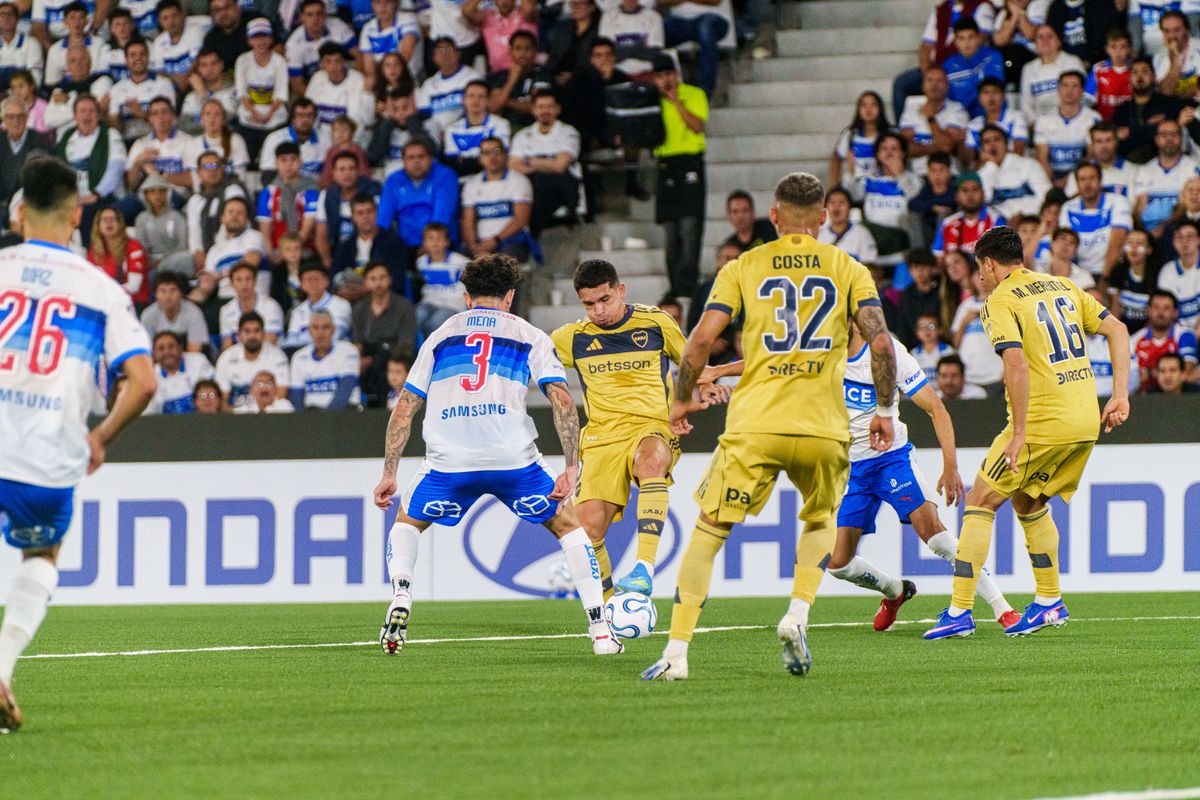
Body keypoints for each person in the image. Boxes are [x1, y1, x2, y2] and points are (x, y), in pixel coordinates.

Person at [642, 172, 899, 682]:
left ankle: (676, 652)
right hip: (825, 428)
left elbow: (697, 343)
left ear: (774, 217)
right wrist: (886, 413)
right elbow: (883, 345)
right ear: (824, 217)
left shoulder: (745, 265)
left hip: (755, 424)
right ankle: (797, 614)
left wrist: (679, 401)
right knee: (821, 520)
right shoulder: (849, 267)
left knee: (709, 532)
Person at [371, 253, 622, 656]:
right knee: (569, 528)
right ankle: (601, 630)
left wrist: (389, 473)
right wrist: (571, 466)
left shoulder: (440, 334)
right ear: (509, 296)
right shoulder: (529, 334)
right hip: (512, 460)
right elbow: (561, 401)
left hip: (449, 462)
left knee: (406, 522)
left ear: (467, 297)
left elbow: (405, 407)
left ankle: (401, 593)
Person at [0, 155, 155, 732]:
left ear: (20, 213)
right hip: (46, 458)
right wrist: (101, 435)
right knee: (40, 556)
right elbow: (143, 382)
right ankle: (3, 665)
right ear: (77, 214)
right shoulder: (100, 289)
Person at [926, 225, 1131, 640]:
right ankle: (1049, 602)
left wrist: (1018, 434)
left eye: (979, 266)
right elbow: (1119, 331)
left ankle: (959, 611)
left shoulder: (997, 301)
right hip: (1084, 418)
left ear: (987, 263)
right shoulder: (1063, 286)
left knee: (980, 502)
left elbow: (1016, 365)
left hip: (1042, 421)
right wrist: (1121, 396)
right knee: (1027, 499)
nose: (979, 275)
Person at [820, 320, 1017, 630]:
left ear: (853, 321)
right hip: (850, 468)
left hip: (891, 460)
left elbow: (937, 409)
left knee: (936, 536)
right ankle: (895, 591)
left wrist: (950, 466)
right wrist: (716, 371)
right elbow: (772, 363)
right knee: (837, 564)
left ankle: (1002, 608)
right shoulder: (819, 351)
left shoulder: (887, 354)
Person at [550, 260, 725, 599]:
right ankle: (607, 612)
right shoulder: (571, 338)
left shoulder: (656, 322)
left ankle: (644, 567)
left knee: (650, 461)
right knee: (588, 530)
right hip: (601, 438)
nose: (598, 310)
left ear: (620, 291)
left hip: (652, 427)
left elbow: (690, 363)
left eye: (605, 300)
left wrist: (698, 390)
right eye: (589, 304)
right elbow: (532, 361)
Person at [652, 52, 707, 297]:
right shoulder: (652, 101)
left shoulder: (694, 94)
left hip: (690, 161)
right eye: (659, 76)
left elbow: (697, 125)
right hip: (664, 163)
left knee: (690, 227)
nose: (665, 80)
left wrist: (675, 101)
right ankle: (675, 287)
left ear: (676, 74)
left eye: (668, 74)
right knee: (671, 232)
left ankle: (689, 284)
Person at [508, 90, 581, 234]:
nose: (545, 111)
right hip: (531, 185)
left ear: (557, 109)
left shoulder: (568, 132)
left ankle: (530, 232)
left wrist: (528, 160)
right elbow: (513, 165)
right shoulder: (522, 136)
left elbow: (560, 166)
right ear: (533, 109)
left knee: (543, 185)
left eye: (549, 106)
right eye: (541, 107)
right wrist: (548, 163)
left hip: (562, 186)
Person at [377, 136, 460, 257]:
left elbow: (442, 215)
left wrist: (429, 244)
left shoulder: (445, 176)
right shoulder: (394, 179)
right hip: (404, 245)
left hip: (440, 244)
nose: (416, 161)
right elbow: (383, 218)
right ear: (403, 161)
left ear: (431, 158)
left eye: (421, 157)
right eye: (411, 158)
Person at [351, 260, 418, 404]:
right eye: (373, 279)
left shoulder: (404, 307)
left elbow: (406, 343)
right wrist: (358, 361)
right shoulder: (359, 309)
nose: (378, 283)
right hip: (369, 356)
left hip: (394, 354)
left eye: (382, 278)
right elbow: (358, 343)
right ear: (366, 282)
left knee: (384, 364)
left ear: (389, 279)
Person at [462, 136, 535, 261]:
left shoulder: (519, 181)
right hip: (481, 243)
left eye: (497, 151)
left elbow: (521, 220)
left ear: (505, 154)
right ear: (480, 158)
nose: (492, 157)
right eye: (486, 153)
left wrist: (495, 240)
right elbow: (468, 221)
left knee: (501, 266)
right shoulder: (472, 184)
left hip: (511, 242)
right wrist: (473, 246)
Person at [1058, 163, 1132, 283]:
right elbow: (1064, 245)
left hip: (1111, 271)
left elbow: (1117, 241)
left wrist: (1106, 278)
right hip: (1078, 273)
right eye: (1082, 179)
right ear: (1077, 184)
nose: (1087, 184)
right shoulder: (1068, 207)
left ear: (1100, 181)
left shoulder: (1118, 202)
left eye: (1092, 178)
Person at [184, 150, 247, 275]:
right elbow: (194, 233)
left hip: (233, 247)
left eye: (217, 166)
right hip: (205, 254)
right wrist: (199, 254)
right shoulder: (195, 200)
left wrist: (214, 256)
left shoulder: (233, 190)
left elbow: (232, 226)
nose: (212, 170)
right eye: (207, 166)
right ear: (199, 172)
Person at [1033, 70, 1101, 186]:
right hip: (1050, 177)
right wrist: (1052, 185)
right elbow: (1041, 158)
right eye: (1065, 85)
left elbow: (1092, 155)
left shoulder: (1093, 118)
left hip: (1080, 179)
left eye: (1075, 86)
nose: (1069, 90)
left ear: (1082, 90)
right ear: (1058, 90)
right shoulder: (1044, 119)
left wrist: (1067, 183)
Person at [1133, 119, 1200, 237]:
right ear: (1156, 139)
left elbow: (1192, 206)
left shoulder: (1193, 168)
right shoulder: (1144, 171)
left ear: (1181, 138)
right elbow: (1139, 209)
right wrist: (1147, 234)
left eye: (1173, 134)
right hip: (1150, 234)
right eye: (1164, 135)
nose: (1169, 139)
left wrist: (1165, 227)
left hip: (1183, 232)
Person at [1113, 57, 1187, 163]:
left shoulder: (1169, 104)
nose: (1139, 77)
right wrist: (1151, 128)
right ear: (1129, 78)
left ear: (1154, 77)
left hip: (1164, 162)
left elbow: (1169, 136)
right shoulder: (1121, 110)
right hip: (1129, 164)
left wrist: (1132, 132)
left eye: (1145, 71)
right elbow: (1119, 143)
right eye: (1134, 72)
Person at [898, 65, 969, 176]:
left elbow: (947, 146)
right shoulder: (911, 109)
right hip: (918, 175)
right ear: (923, 86)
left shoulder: (957, 110)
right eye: (930, 80)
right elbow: (905, 148)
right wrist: (938, 146)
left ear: (947, 86)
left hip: (949, 175)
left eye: (939, 80)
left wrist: (930, 119)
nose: (934, 85)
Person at [234, 17, 289, 160]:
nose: (260, 42)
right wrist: (254, 112)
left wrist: (269, 114)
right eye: (256, 37)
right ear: (249, 40)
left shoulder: (280, 62)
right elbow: (242, 93)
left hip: (275, 119)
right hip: (249, 119)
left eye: (264, 37)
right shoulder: (242, 60)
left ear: (271, 39)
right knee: (246, 158)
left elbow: (281, 94)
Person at [256, 141, 320, 262]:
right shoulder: (268, 192)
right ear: (276, 163)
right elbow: (265, 231)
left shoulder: (311, 190)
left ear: (300, 162)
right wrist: (272, 256)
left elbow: (307, 230)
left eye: (293, 159)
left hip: (305, 252)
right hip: (275, 253)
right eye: (283, 160)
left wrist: (290, 252)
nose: (289, 164)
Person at [315, 153, 381, 268]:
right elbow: (321, 235)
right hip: (337, 253)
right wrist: (327, 261)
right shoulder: (326, 195)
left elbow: (380, 228)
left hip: (370, 254)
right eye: (342, 169)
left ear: (358, 171)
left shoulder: (373, 192)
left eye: (351, 168)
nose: (347, 173)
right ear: (334, 173)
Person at [331, 193, 409, 289]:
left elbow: (396, 280)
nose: (365, 217)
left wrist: (366, 289)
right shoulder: (345, 246)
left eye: (369, 211)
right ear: (353, 217)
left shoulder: (394, 243)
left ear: (376, 213)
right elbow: (335, 276)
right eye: (360, 213)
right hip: (351, 296)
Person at [214, 311, 290, 408]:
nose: (252, 336)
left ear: (263, 333)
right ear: (239, 335)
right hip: (236, 416)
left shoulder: (277, 356)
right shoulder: (226, 358)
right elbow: (222, 399)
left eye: (256, 331)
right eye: (247, 331)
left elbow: (281, 394)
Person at [104, 39, 174, 144]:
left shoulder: (163, 84)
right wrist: (104, 115)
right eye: (133, 55)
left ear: (148, 57)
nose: (138, 58)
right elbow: (117, 128)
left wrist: (143, 115)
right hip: (126, 142)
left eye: (142, 54)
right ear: (126, 60)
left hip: (157, 140)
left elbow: (171, 123)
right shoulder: (117, 89)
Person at [951, 257, 1005, 395]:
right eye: (977, 275)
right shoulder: (965, 306)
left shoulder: (1003, 303)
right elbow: (956, 343)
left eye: (985, 274)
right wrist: (964, 322)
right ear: (972, 279)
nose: (981, 279)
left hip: (995, 375)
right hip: (968, 376)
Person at [288, 309, 361, 409]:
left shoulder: (348, 350)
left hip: (346, 414)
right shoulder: (299, 357)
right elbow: (297, 398)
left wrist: (325, 421)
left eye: (325, 327)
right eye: (315, 327)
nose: (320, 332)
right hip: (311, 416)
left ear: (333, 330)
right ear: (309, 331)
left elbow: (345, 391)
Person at [975, 124, 1050, 221]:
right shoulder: (982, 174)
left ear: (1007, 144)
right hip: (999, 226)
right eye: (987, 141)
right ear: (982, 149)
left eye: (997, 139)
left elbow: (1047, 197)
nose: (992, 144)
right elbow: (983, 203)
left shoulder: (1028, 165)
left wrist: (1022, 214)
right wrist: (991, 167)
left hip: (1030, 220)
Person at [200, 195, 267, 301]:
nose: (235, 216)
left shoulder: (254, 236)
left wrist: (220, 275)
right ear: (222, 218)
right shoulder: (214, 250)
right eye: (230, 212)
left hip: (255, 300)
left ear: (246, 218)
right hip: (224, 302)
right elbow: (207, 285)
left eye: (240, 213)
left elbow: (249, 265)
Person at [1131, 290, 1199, 390]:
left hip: (1180, 396)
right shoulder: (1135, 339)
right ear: (1148, 310)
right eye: (1156, 307)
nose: (1160, 312)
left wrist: (1150, 373)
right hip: (1142, 398)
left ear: (1175, 312)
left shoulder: (1184, 335)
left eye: (1166, 308)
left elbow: (1186, 370)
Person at [0, 97, 54, 224]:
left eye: (20, 116)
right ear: (3, 120)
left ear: (27, 117)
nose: (15, 121)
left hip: (27, 205)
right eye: (10, 117)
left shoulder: (42, 141)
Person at [443, 79, 512, 178]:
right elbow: (452, 164)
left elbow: (498, 157)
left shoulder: (500, 124)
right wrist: (484, 157)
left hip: (493, 179)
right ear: (464, 100)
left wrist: (464, 161)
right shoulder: (451, 129)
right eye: (471, 96)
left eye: (481, 97)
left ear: (488, 101)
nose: (476, 100)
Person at [285, 0, 358, 94]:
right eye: (310, 15)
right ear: (302, 17)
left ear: (325, 14)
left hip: (345, 81)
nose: (315, 19)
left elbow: (358, 56)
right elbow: (297, 85)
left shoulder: (338, 25)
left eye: (319, 13)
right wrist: (322, 99)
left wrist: (355, 84)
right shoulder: (293, 44)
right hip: (314, 88)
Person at [417, 37, 484, 136]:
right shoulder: (429, 84)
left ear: (458, 53)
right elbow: (424, 114)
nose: (445, 54)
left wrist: (450, 130)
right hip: (435, 134)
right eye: (440, 50)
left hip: (465, 130)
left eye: (449, 49)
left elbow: (480, 108)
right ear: (434, 57)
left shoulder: (472, 77)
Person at [1018, 24, 1086, 120]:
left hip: (1071, 119)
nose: (1045, 41)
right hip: (1040, 125)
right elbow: (1026, 104)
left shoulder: (1072, 62)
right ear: (1035, 43)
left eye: (1050, 36)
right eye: (1040, 37)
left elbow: (1083, 95)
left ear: (1058, 41)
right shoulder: (1029, 68)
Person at [932, 172, 1004, 261]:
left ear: (983, 193)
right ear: (957, 196)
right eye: (965, 190)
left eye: (975, 190)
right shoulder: (947, 224)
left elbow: (1001, 258)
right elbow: (938, 257)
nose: (970, 195)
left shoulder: (996, 220)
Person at [87, 205, 149, 307]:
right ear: (97, 225)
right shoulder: (93, 252)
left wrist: (106, 294)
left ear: (120, 223)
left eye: (112, 219)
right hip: (105, 302)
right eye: (104, 220)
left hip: (133, 303)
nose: (109, 223)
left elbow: (134, 286)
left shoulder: (134, 247)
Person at [414, 221, 469, 337]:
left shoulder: (460, 261)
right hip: (429, 302)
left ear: (447, 242)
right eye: (430, 238)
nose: (435, 242)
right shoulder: (421, 262)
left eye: (439, 238)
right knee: (416, 316)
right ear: (424, 243)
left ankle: (433, 353)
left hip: (453, 305)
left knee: (436, 322)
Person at [943, 17, 1004, 118]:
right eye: (961, 38)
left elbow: (993, 88)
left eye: (971, 37)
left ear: (978, 38)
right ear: (955, 41)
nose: (966, 43)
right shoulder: (948, 64)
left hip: (990, 116)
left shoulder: (992, 57)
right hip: (957, 118)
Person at [305, 42, 368, 141]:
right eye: (328, 61)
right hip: (320, 140)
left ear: (344, 62)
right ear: (321, 64)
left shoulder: (357, 79)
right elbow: (307, 110)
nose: (333, 66)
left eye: (337, 61)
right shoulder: (317, 78)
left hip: (350, 140)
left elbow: (359, 119)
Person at [283, 263, 352, 350]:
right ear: (302, 284)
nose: (313, 283)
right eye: (308, 279)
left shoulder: (340, 304)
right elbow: (291, 342)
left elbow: (335, 336)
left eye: (317, 278)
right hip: (304, 357)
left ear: (327, 281)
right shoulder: (298, 311)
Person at [488, 30, 547, 131]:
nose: (523, 53)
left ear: (535, 51)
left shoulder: (543, 73)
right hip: (507, 127)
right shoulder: (501, 75)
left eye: (527, 48)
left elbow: (537, 108)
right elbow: (493, 107)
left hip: (536, 128)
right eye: (518, 48)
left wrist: (506, 101)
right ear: (510, 51)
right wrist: (511, 81)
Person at [219, 261, 285, 350]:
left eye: (248, 279)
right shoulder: (226, 310)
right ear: (231, 284)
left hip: (268, 357)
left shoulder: (270, 306)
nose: (244, 284)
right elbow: (227, 345)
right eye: (239, 280)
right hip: (239, 358)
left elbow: (271, 342)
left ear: (255, 282)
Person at [134, 172, 191, 275]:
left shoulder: (177, 217)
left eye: (161, 191)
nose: (157, 195)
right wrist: (150, 261)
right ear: (145, 196)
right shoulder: (141, 219)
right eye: (152, 192)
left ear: (167, 194)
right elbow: (141, 246)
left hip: (175, 261)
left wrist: (164, 261)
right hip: (150, 263)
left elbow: (183, 245)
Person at [258, 97, 329, 180]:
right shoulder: (274, 139)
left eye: (309, 115)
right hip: (284, 191)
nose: (305, 120)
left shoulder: (326, 140)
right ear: (292, 118)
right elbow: (267, 177)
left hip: (316, 191)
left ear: (315, 118)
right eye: (300, 115)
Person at [831, 91, 890, 189]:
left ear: (880, 108)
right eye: (863, 105)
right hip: (855, 188)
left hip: (882, 188)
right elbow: (836, 158)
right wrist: (835, 186)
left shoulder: (889, 133)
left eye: (873, 105)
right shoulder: (851, 134)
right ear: (858, 109)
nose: (868, 109)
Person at [145, 331, 214, 414]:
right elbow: (149, 413)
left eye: (171, 346)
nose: (167, 352)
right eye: (161, 348)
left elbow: (212, 396)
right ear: (154, 354)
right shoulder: (150, 376)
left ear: (180, 348)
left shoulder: (198, 361)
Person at [1063, 122, 1136, 199]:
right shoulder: (1080, 172)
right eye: (1099, 141)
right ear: (1092, 145)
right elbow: (1071, 203)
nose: (1104, 146)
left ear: (1116, 142)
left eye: (1108, 140)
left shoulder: (1132, 171)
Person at [139, 270, 208, 351]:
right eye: (163, 291)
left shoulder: (194, 313)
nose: (168, 296)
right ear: (156, 294)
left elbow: (195, 351)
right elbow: (147, 349)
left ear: (181, 293)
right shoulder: (148, 315)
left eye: (173, 290)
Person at [1107, 229, 1159, 332]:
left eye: (1140, 244)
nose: (1133, 248)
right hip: (1123, 329)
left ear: (1149, 249)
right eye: (1129, 243)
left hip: (1148, 331)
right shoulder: (1118, 270)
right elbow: (1115, 308)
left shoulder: (1157, 274)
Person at [357, 0, 421, 83]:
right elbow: (369, 68)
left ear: (395, 3)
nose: (382, 6)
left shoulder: (408, 19)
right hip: (381, 83)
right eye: (378, 2)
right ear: (372, 5)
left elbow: (406, 54)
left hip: (408, 80)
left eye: (387, 2)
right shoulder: (367, 28)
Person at [182, 98, 249, 177]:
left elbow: (240, 175)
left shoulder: (236, 140)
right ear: (201, 119)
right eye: (208, 114)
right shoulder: (192, 144)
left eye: (217, 114)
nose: (212, 117)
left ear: (223, 120)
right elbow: (194, 178)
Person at [465, 0, 536, 74]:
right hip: (498, 73)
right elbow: (467, 10)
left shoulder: (524, 15)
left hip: (526, 70)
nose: (504, 1)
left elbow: (529, 9)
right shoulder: (487, 16)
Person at [966, 77, 1029, 157]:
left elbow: (1018, 152)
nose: (990, 97)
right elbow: (970, 159)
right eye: (986, 92)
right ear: (979, 98)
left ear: (1003, 97)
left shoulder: (1016, 117)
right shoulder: (972, 125)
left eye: (995, 92)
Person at [149, 0, 204, 92]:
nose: (171, 21)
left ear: (182, 14)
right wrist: (174, 78)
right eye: (165, 18)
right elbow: (159, 70)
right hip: (173, 85)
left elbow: (197, 60)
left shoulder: (194, 30)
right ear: (159, 21)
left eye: (174, 16)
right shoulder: (158, 41)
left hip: (195, 81)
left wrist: (185, 79)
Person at [598, 0, 662, 77]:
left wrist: (621, 50)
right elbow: (607, 54)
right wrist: (640, 45)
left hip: (646, 73)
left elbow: (653, 53)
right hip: (616, 74)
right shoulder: (608, 17)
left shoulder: (654, 16)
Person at [179, 49, 236, 135]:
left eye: (213, 63)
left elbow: (224, 121)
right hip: (196, 143)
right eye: (204, 65)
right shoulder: (192, 95)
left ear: (221, 65)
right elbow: (183, 125)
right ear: (198, 69)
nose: (209, 68)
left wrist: (202, 95)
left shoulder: (232, 90)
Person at [1157, 219, 1200, 330]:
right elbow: (1165, 310)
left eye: (1189, 236)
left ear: (1198, 240)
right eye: (1179, 237)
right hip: (1179, 334)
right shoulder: (1167, 271)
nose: (1184, 241)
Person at [817, 187, 877, 266]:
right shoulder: (818, 235)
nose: (836, 207)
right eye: (832, 202)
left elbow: (870, 267)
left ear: (849, 208)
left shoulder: (862, 233)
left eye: (841, 202)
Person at [896, 248, 941, 349]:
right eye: (915, 267)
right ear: (910, 270)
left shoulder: (943, 290)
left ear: (933, 268)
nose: (919, 271)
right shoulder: (906, 295)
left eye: (924, 267)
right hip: (915, 349)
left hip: (942, 345)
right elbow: (903, 327)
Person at [1085, 28, 1133, 122]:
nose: (1118, 51)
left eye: (1123, 47)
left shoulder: (1135, 69)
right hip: (1104, 123)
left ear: (1129, 49)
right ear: (1106, 49)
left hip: (1129, 123)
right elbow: (1088, 98)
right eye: (1113, 47)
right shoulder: (1098, 69)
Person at [1154, 10, 1200, 100]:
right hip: (1174, 109)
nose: (1172, 36)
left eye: (1177, 30)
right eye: (1166, 31)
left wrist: (1178, 96)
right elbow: (1166, 92)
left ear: (1187, 30)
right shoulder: (1159, 57)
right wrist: (1175, 64)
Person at [0, 2, 44, 91]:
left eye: (10, 14)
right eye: (2, 15)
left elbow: (35, 80)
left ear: (17, 19)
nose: (6, 18)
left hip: (23, 97)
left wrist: (9, 94)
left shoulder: (32, 44)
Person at [722, 189, 776, 254]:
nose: (740, 216)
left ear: (753, 212)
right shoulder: (730, 247)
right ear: (729, 215)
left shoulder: (769, 229)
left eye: (745, 210)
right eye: (735, 211)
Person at [200, 0, 247, 73]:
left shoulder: (255, 23)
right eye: (217, 10)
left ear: (237, 6)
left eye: (227, 7)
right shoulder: (211, 38)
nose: (223, 13)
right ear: (211, 14)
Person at [910, 312, 956, 382]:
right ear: (917, 332)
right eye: (922, 327)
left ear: (940, 330)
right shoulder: (913, 354)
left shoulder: (949, 351)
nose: (926, 330)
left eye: (931, 326)